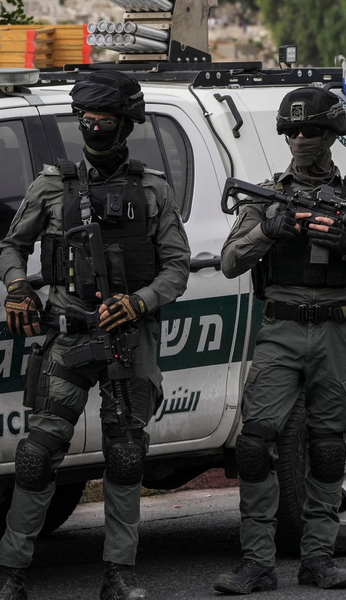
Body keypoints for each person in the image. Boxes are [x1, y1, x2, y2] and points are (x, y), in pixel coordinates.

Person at [0, 70, 190, 599]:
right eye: (87, 120)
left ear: (125, 125)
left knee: (126, 455)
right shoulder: (52, 185)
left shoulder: (152, 189)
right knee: (37, 453)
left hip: (128, 340)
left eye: (104, 121)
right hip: (67, 336)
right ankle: (12, 574)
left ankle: (119, 573)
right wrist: (18, 288)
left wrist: (138, 301)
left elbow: (176, 269)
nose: (94, 128)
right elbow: (11, 246)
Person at [213, 86, 346, 594]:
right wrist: (269, 232)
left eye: (311, 131)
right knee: (254, 445)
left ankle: (317, 558)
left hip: (338, 329)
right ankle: (257, 563)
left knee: (326, 447)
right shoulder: (265, 197)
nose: (301, 139)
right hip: (282, 328)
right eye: (293, 131)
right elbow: (230, 261)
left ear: (332, 135)